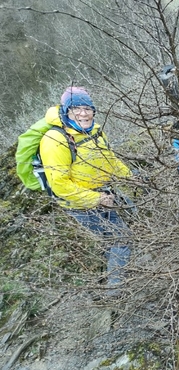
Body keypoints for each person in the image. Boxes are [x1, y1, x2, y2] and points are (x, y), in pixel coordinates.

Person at [39, 86, 132, 297]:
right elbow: (60, 185)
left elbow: (110, 161)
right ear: (65, 111)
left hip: (105, 193)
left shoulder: (96, 130)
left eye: (87, 108)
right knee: (121, 238)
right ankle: (115, 292)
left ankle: (106, 281)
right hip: (80, 204)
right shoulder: (55, 140)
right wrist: (97, 198)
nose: (83, 113)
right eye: (76, 109)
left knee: (113, 238)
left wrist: (133, 178)